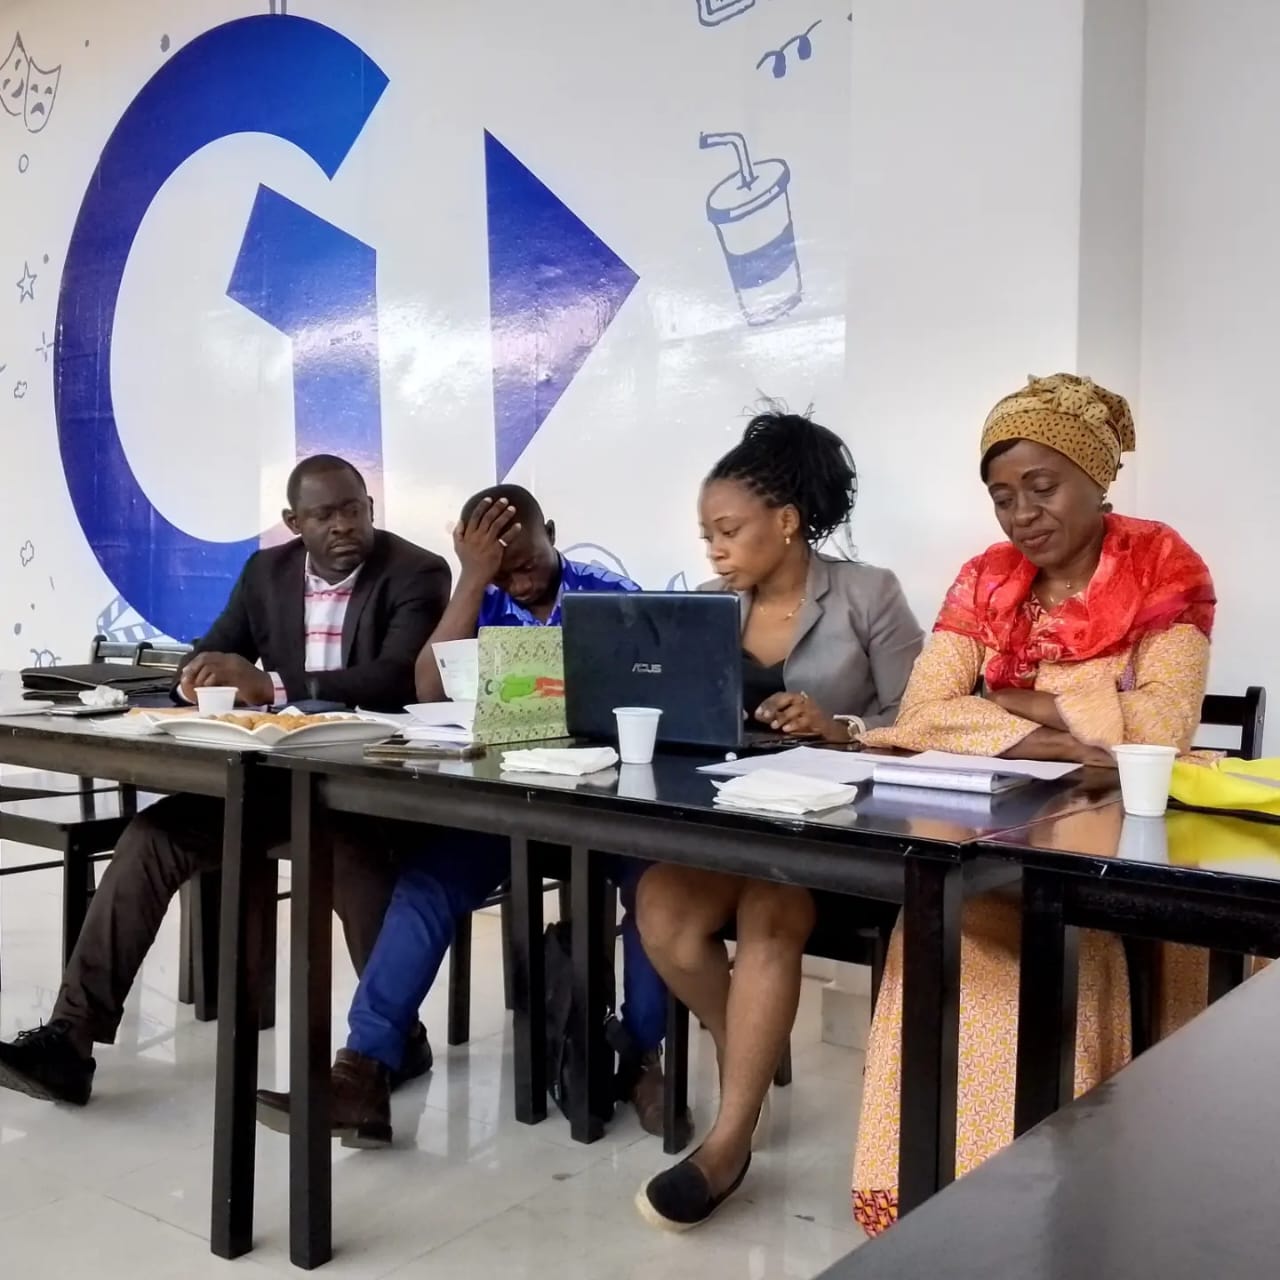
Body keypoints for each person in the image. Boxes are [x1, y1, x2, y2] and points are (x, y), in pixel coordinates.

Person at [851, 374, 1217, 1235]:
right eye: (1002, 495)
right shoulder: (986, 578)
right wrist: (1062, 731)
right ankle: (929, 1193)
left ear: (1097, 478)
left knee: (1075, 923)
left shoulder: (1164, 568)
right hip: (1007, 821)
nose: (1021, 514)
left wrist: (1011, 701)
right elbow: (920, 715)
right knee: (940, 910)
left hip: (1132, 833)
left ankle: (1076, 1198)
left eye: (1042, 487)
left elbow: (1157, 733)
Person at [0, 455, 451, 1106]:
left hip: (364, 786)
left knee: (352, 857)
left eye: (354, 509)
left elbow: (397, 679)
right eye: (325, 515)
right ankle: (70, 1043)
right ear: (294, 522)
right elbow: (215, 650)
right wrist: (197, 678)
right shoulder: (266, 573)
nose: (344, 525)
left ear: (370, 508)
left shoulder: (416, 571)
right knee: (151, 836)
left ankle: (396, 1041)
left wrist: (271, 686)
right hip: (273, 781)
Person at [255, 484, 675, 1144]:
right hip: (507, 808)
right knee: (425, 886)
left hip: (608, 805)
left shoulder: (609, 593)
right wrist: (474, 579)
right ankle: (363, 1070)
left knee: (657, 896)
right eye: (502, 567)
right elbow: (428, 687)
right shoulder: (483, 598)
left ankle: (643, 1058)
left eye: (526, 559)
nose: (518, 577)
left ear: (551, 531)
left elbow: (661, 688)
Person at [633, 410, 924, 1231]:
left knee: (770, 909)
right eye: (707, 535)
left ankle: (727, 1146)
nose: (715, 551)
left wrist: (842, 727)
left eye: (728, 531)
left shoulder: (870, 594)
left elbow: (927, 719)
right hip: (735, 824)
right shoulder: (704, 608)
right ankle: (747, 1058)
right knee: (660, 905)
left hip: (839, 832)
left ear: (787, 521)